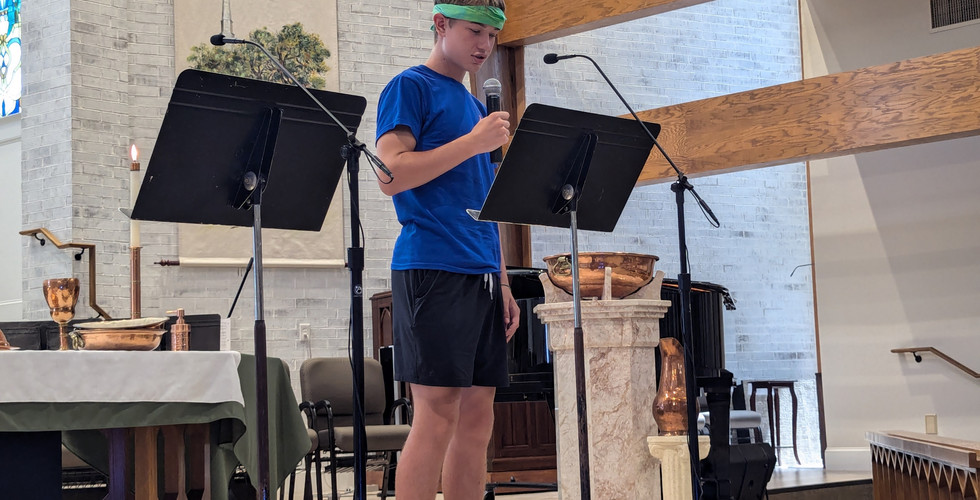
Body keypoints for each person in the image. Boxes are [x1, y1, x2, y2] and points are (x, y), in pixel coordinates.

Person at [374, 1, 518, 499]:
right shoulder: (409, 87)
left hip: (480, 273)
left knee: (478, 420)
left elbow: (485, 202)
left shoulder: (477, 108)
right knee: (436, 414)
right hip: (432, 267)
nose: (484, 45)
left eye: (493, 36)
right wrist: (474, 143)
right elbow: (390, 173)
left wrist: (501, 281)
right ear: (441, 25)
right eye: (474, 31)